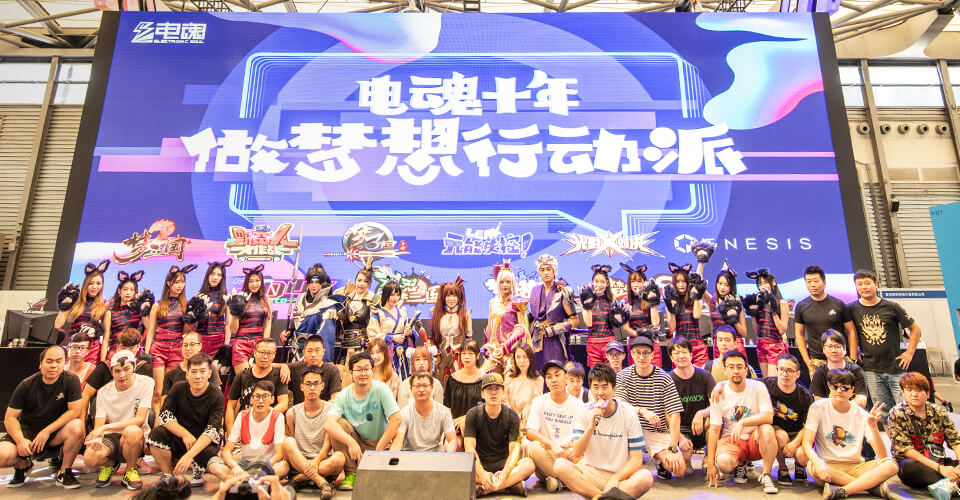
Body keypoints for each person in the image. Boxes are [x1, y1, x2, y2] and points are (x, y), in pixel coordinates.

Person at [554, 362, 653, 499]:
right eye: (596, 387)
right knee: (560, 465)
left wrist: (616, 478)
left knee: (646, 477)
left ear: (614, 389)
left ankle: (600, 497)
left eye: (605, 387)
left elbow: (636, 460)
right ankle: (604, 497)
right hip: (591, 473)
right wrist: (591, 427)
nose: (600, 392)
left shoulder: (628, 414)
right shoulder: (584, 410)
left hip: (620, 476)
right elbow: (576, 453)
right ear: (590, 389)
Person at [803, 368, 898, 499]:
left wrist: (874, 427)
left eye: (844, 388)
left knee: (891, 465)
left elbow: (882, 456)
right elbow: (807, 443)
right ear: (829, 386)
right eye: (835, 387)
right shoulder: (818, 407)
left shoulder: (861, 414)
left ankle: (843, 490)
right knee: (813, 466)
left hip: (855, 466)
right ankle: (869, 487)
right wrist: (817, 461)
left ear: (852, 390)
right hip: (827, 466)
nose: (839, 391)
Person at [0, 345, 84, 488]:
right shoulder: (26, 385)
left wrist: (47, 431)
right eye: (49, 361)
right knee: (2, 455)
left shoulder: (71, 381)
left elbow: (74, 411)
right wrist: (20, 441)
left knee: (77, 426)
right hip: (29, 434)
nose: (54, 365)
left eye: (58, 361)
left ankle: (64, 472)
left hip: (55, 433)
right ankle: (22, 464)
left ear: (64, 363)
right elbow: (10, 417)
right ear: (40, 364)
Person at [849, 268, 922, 423]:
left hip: (896, 368)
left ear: (876, 284)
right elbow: (849, 332)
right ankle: (892, 439)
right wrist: (855, 352)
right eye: (859, 284)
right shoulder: (852, 309)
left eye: (867, 283)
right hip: (871, 370)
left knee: (907, 410)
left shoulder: (892, 307)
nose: (864, 287)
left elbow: (915, 328)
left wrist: (909, 353)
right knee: (883, 415)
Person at [324, 351, 401, 490]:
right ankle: (351, 473)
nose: (363, 373)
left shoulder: (381, 389)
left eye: (366, 369)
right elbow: (328, 424)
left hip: (377, 443)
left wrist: (379, 447)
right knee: (338, 424)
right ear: (351, 373)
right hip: (355, 447)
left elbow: (396, 419)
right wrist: (350, 441)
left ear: (372, 371)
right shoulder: (343, 395)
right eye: (359, 370)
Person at [705, 350, 779, 494]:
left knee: (767, 429)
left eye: (739, 367)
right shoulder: (718, 393)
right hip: (731, 438)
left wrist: (743, 423)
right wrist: (710, 462)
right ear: (725, 370)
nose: (736, 371)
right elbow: (714, 430)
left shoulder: (758, 387)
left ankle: (766, 475)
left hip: (754, 438)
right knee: (725, 463)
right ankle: (740, 463)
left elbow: (768, 416)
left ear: (746, 370)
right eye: (731, 367)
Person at [615, 335, 685, 480]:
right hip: (629, 429)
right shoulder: (623, 376)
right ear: (631, 354)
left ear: (652, 355)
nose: (641, 357)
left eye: (646, 353)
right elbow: (620, 403)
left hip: (655, 431)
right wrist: (642, 410)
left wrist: (673, 447)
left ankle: (659, 462)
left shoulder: (664, 378)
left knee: (679, 469)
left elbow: (675, 414)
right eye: (637, 353)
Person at [146, 353, 223, 483]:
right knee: (156, 434)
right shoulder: (178, 388)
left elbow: (212, 431)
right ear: (187, 374)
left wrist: (189, 456)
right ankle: (168, 475)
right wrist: (185, 434)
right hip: (181, 435)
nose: (198, 376)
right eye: (194, 372)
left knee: (214, 463)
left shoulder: (216, 395)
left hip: (204, 440)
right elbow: (164, 417)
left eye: (202, 371)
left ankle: (198, 469)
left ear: (209, 373)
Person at [82, 350, 154, 490]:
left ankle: (130, 470)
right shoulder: (104, 392)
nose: (122, 375)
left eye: (126, 369)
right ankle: (110, 465)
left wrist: (105, 428)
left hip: (135, 435)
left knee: (132, 431)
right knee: (89, 458)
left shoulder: (146, 382)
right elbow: (99, 426)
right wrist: (98, 439)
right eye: (117, 371)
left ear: (133, 367)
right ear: (112, 372)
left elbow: (139, 419)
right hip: (111, 437)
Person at [886, 372, 960, 499]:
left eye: (919, 390)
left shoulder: (939, 411)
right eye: (909, 390)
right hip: (914, 464)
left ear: (927, 394)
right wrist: (940, 469)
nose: (914, 394)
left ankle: (947, 483)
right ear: (903, 392)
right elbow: (906, 450)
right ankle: (951, 481)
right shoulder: (897, 413)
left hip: (938, 460)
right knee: (911, 467)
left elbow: (955, 441)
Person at [464, 372, 535, 497]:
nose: (493, 393)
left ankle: (485, 489)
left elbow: (514, 450)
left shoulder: (512, 416)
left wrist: (505, 473)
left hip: (503, 465)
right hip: (479, 465)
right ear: (482, 394)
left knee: (528, 464)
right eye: (489, 389)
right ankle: (508, 486)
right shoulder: (473, 414)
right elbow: (470, 448)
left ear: (503, 392)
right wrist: (482, 474)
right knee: (460, 469)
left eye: (497, 388)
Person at [281, 365, 345, 499]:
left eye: (316, 384)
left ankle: (300, 478)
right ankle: (321, 482)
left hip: (322, 462)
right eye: (308, 384)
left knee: (339, 458)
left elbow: (328, 443)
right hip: (300, 460)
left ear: (322, 386)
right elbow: (294, 441)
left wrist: (316, 461)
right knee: (288, 442)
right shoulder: (292, 413)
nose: (312, 388)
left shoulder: (331, 410)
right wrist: (305, 463)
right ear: (301, 387)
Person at [210, 381, 290, 481]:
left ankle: (243, 481)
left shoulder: (278, 417)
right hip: (245, 462)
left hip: (267, 463)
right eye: (257, 396)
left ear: (272, 399)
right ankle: (255, 481)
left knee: (284, 467)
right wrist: (235, 466)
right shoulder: (242, 416)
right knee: (213, 465)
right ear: (251, 400)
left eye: (265, 396)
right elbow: (226, 451)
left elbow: (278, 455)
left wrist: (261, 466)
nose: (260, 401)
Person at [525, 359, 585, 493]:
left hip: (571, 457)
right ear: (546, 382)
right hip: (549, 456)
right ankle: (572, 481)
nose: (553, 380)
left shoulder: (578, 404)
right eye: (549, 377)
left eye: (557, 375)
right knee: (533, 448)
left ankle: (557, 480)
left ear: (566, 378)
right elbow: (530, 432)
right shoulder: (539, 401)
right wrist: (552, 445)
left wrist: (575, 449)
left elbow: (584, 435)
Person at [146, 264, 197, 411]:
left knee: (170, 391)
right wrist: (147, 353)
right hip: (159, 348)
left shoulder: (185, 306)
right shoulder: (157, 305)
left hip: (176, 348)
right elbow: (150, 331)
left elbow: (186, 331)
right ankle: (156, 421)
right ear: (169, 283)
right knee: (158, 391)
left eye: (182, 282)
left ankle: (168, 419)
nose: (180, 285)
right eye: (177, 282)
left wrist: (190, 320)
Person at [81, 328, 154, 424]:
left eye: (131, 348)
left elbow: (150, 400)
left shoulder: (145, 368)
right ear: (117, 347)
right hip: (106, 415)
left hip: (132, 418)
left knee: (150, 414)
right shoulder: (105, 367)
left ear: (138, 347)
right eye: (124, 348)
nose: (127, 352)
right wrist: (82, 420)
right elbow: (86, 394)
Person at [794, 265, 857, 375]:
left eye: (816, 281)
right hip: (817, 361)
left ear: (824, 283)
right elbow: (799, 334)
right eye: (808, 281)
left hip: (841, 359)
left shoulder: (838, 304)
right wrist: (807, 361)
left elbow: (851, 331)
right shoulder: (801, 306)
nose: (812, 285)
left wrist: (853, 359)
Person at [762, 353, 812, 485]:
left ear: (798, 374)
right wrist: (721, 386)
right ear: (777, 370)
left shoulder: (805, 396)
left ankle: (799, 466)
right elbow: (745, 383)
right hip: (777, 430)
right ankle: (782, 468)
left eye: (789, 371)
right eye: (781, 370)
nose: (785, 374)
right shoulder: (766, 384)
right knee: (781, 437)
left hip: (797, 432)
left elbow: (808, 427)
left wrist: (795, 444)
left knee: (802, 456)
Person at [668, 338, 715, 473]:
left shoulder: (705, 376)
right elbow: (666, 414)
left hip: (703, 425)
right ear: (671, 357)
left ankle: (709, 458)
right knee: (681, 469)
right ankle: (686, 461)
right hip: (681, 428)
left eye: (684, 352)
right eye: (676, 353)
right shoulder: (668, 379)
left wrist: (701, 413)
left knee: (714, 421)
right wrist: (680, 437)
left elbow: (716, 405)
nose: (681, 356)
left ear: (690, 354)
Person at [226, 338, 289, 436]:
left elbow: (283, 404)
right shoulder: (242, 376)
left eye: (269, 353)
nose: (265, 356)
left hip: (269, 426)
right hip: (244, 426)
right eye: (262, 352)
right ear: (255, 353)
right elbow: (230, 406)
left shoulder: (279, 376)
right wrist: (230, 433)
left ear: (274, 355)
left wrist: (262, 416)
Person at [529, 254, 578, 370]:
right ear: (539, 272)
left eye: (548, 269)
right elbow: (533, 317)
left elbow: (575, 321)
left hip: (555, 340)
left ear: (554, 270)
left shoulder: (563, 291)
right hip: (536, 339)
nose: (546, 273)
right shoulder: (535, 291)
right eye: (542, 270)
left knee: (556, 369)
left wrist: (554, 329)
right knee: (537, 371)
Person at [391, 370, 457, 452]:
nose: (421, 389)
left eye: (425, 386)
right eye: (417, 386)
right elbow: (397, 442)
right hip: (411, 455)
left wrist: (449, 456)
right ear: (411, 389)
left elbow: (452, 440)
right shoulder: (404, 413)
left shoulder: (444, 412)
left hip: (436, 455)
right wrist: (394, 455)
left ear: (432, 387)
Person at [55, 260, 109, 359]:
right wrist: (64, 306)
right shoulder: (75, 301)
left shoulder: (104, 304)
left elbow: (106, 336)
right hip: (74, 346)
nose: (95, 287)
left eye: (98, 283)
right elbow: (57, 325)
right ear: (86, 284)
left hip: (93, 350)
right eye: (91, 283)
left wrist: (103, 361)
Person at [483, 261, 530, 374]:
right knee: (494, 381)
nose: (505, 285)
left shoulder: (517, 303)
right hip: (495, 351)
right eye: (502, 282)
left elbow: (523, 330)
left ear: (512, 284)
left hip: (511, 350)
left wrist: (522, 353)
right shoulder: (493, 302)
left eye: (508, 282)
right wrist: (486, 346)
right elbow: (489, 327)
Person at [227, 264, 273, 376]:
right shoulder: (240, 299)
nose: (254, 284)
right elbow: (233, 330)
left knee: (259, 380)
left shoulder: (267, 301)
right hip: (241, 344)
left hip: (259, 345)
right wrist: (235, 312)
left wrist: (265, 346)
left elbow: (267, 325)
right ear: (246, 283)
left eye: (257, 280)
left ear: (261, 282)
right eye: (251, 281)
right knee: (245, 379)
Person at [290, 263, 341, 363]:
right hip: (297, 352)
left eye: (317, 282)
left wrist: (325, 363)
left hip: (314, 356)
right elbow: (297, 321)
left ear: (322, 283)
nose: (313, 286)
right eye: (311, 282)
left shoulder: (328, 305)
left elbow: (327, 337)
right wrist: (289, 331)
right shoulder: (301, 298)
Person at [745, 268, 790, 378]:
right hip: (761, 345)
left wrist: (773, 311)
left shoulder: (782, 303)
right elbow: (757, 331)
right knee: (765, 382)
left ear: (773, 282)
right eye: (760, 284)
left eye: (765, 282)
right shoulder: (759, 303)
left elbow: (782, 330)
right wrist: (752, 314)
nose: (762, 286)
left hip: (775, 346)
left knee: (772, 382)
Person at [368, 280, 417, 377]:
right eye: (392, 295)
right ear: (386, 295)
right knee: (387, 379)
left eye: (397, 295)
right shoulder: (378, 313)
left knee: (404, 378)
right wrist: (392, 338)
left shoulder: (402, 312)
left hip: (402, 353)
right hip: (386, 353)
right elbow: (372, 335)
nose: (395, 298)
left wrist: (409, 333)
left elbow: (407, 328)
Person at [581, 264, 626, 367]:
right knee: (596, 374)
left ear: (607, 283)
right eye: (596, 281)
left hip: (609, 343)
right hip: (593, 343)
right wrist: (587, 305)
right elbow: (588, 323)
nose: (599, 285)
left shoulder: (611, 300)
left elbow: (615, 326)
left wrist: (619, 318)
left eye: (602, 282)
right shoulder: (585, 298)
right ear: (592, 282)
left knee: (611, 374)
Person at [663, 262, 707, 367]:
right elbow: (672, 328)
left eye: (683, 281)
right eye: (678, 282)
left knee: (702, 375)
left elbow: (696, 315)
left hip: (697, 345)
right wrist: (670, 307)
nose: (681, 285)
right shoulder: (672, 300)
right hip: (679, 347)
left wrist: (701, 263)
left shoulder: (694, 298)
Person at [443, 340, 484, 450]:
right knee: (451, 446)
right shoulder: (452, 379)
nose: (467, 357)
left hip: (478, 425)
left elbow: (485, 408)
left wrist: (464, 418)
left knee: (465, 425)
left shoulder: (484, 379)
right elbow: (447, 406)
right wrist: (451, 424)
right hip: (456, 427)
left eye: (470, 353)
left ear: (478, 355)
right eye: (464, 353)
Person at [810, 330, 868, 407]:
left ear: (845, 350)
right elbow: (819, 402)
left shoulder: (856, 370)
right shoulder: (819, 373)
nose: (834, 350)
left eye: (837, 346)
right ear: (823, 349)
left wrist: (841, 408)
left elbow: (862, 401)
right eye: (830, 346)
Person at [429, 278, 472, 378]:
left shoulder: (465, 315)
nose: (451, 299)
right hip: (440, 357)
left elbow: (469, 341)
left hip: (458, 357)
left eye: (454, 295)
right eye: (448, 295)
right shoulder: (436, 314)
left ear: (459, 297)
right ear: (443, 297)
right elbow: (434, 337)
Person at [620, 263, 661, 367]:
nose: (636, 285)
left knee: (655, 373)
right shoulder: (625, 302)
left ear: (644, 282)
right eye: (632, 281)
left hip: (651, 342)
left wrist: (652, 302)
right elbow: (626, 329)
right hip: (635, 343)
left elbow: (656, 324)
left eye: (639, 281)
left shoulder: (649, 298)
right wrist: (641, 335)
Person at [336, 262, 377, 365]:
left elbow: (376, 323)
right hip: (345, 342)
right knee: (342, 369)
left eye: (365, 281)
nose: (361, 284)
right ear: (355, 281)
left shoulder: (374, 299)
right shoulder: (347, 297)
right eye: (359, 280)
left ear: (369, 283)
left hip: (363, 343)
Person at [162, 332, 221, 403]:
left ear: (200, 346)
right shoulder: (171, 373)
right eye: (185, 345)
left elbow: (217, 393)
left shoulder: (209, 367)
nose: (188, 348)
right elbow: (164, 402)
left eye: (192, 344)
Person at [286, 334, 342, 405]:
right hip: (300, 410)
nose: (313, 354)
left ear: (323, 352)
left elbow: (335, 398)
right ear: (303, 353)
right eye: (310, 351)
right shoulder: (295, 368)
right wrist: (283, 366)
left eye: (317, 351)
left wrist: (321, 410)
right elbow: (273, 365)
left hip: (325, 410)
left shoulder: (332, 370)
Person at [707, 263, 748, 358]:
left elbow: (744, 333)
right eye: (720, 283)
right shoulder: (713, 301)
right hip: (718, 345)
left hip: (734, 346)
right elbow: (699, 286)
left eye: (726, 285)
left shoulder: (737, 303)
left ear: (731, 286)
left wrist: (733, 319)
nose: (722, 287)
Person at [103, 269, 146, 361]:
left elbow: (150, 328)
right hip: (115, 352)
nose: (128, 292)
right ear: (119, 291)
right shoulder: (110, 313)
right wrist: (103, 361)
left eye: (131, 290)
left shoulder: (138, 311)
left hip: (135, 352)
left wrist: (144, 307)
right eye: (125, 289)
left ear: (135, 292)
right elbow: (106, 339)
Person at [196, 260, 231, 356]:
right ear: (208, 275)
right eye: (212, 274)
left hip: (219, 341)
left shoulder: (226, 297)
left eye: (219, 275)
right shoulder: (199, 296)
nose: (215, 277)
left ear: (222, 278)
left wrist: (226, 345)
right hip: (201, 340)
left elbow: (228, 323)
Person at [504, 343, 543, 423]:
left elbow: (536, 403)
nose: (521, 361)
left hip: (530, 421)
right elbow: (504, 400)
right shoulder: (509, 377)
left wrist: (522, 417)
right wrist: (513, 417)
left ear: (530, 358)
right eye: (518, 357)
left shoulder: (538, 380)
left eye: (525, 357)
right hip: (510, 420)